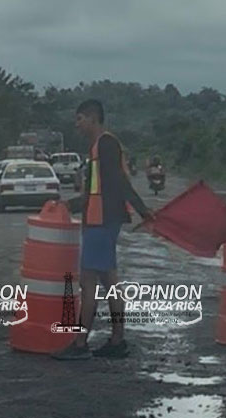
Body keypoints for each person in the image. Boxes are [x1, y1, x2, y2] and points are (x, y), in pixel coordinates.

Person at [54, 99, 153, 360]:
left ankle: (79, 344)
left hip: (101, 221)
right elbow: (96, 190)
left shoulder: (106, 144)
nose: (77, 124)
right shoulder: (98, 147)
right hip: (101, 219)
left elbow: (120, 182)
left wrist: (143, 211)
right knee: (109, 282)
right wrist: (70, 204)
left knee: (88, 283)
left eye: (79, 119)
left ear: (92, 118)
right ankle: (117, 340)